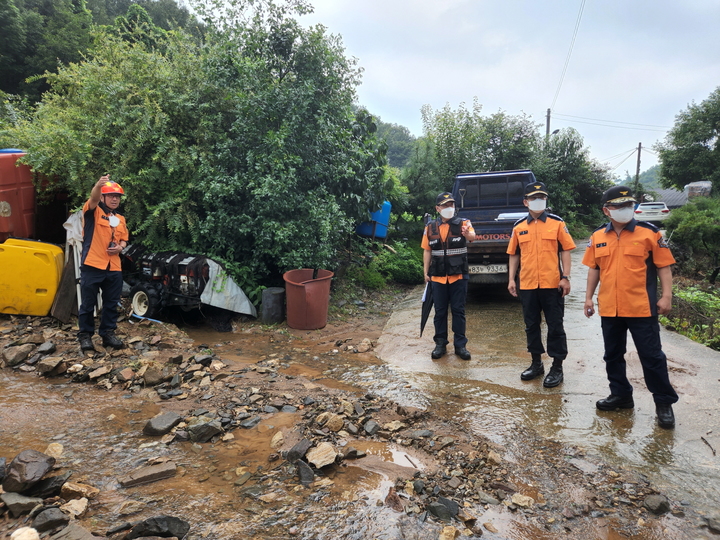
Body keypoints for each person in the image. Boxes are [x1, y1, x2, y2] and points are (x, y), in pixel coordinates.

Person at [582, 185, 678, 429]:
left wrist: (666, 296)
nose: (626, 209)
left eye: (629, 205)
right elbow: (594, 269)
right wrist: (588, 298)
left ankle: (663, 403)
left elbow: (664, 267)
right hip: (610, 309)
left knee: (652, 357)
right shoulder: (597, 237)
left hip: (642, 308)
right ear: (606, 210)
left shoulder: (650, 233)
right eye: (618, 206)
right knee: (612, 355)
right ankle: (621, 395)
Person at [507, 181, 576, 387]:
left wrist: (566, 277)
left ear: (546, 200)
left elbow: (565, 250)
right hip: (527, 284)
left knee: (555, 325)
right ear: (525, 202)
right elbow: (514, 254)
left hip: (552, 283)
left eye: (542, 198)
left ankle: (557, 367)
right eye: (534, 198)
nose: (538, 201)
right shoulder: (519, 226)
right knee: (531, 325)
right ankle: (536, 363)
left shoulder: (557, 223)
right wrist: (511, 279)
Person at [421, 191, 476, 360]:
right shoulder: (430, 227)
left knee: (458, 311)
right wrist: (425, 272)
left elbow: (473, 237)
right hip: (437, 277)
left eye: (451, 205)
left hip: (458, 276)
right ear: (438, 208)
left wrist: (468, 234)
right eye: (445, 205)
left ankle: (460, 346)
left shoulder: (463, 223)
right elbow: (427, 250)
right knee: (440, 312)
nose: (449, 208)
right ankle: (440, 344)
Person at [77, 175, 129, 351]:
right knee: (87, 304)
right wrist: (98, 185)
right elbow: (92, 198)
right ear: (103, 197)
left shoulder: (120, 218)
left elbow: (124, 240)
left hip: (113, 267)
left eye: (117, 196)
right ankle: (85, 336)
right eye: (111, 195)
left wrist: (120, 248)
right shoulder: (93, 212)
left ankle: (108, 334)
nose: (115, 199)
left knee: (111, 303)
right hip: (92, 265)